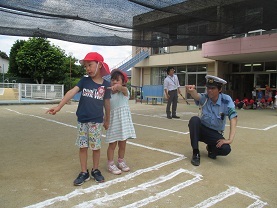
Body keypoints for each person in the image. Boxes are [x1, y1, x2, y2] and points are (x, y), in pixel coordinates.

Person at [46, 52, 111, 185]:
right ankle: (83, 172)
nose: (87, 68)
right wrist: (59, 107)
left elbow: (107, 104)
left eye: (90, 65)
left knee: (96, 147)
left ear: (99, 65)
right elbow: (71, 92)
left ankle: (95, 170)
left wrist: (107, 119)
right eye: (86, 66)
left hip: (97, 121)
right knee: (83, 147)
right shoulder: (84, 81)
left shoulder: (106, 84)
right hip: (82, 120)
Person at [186, 75, 238, 166]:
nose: (209, 90)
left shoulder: (226, 100)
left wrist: (230, 139)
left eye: (213, 88)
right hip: (202, 130)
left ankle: (211, 149)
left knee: (226, 149)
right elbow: (197, 96)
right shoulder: (205, 98)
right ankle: (196, 153)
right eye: (208, 88)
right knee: (194, 120)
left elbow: (233, 117)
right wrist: (192, 91)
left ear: (220, 89)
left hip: (215, 133)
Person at [105, 69, 136, 175]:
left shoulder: (125, 92)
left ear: (123, 82)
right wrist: (106, 121)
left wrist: (119, 87)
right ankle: (110, 163)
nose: (114, 82)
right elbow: (106, 109)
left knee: (123, 144)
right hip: (113, 123)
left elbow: (123, 89)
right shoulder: (108, 95)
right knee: (112, 145)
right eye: (112, 80)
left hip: (124, 123)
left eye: (117, 80)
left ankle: (121, 161)